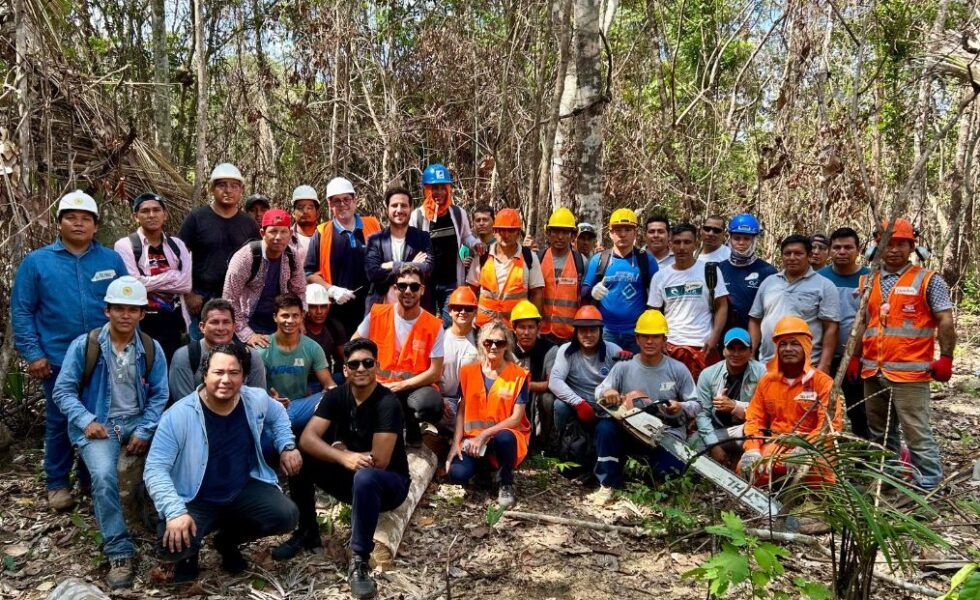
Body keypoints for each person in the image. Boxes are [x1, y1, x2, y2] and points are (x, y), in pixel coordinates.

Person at [144, 343, 301, 584]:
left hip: (241, 488)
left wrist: (287, 446)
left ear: (244, 376)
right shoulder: (178, 415)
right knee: (171, 545)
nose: (225, 379)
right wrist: (175, 511)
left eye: (234, 373)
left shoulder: (254, 399)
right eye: (218, 372)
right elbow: (155, 469)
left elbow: (278, 414)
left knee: (286, 515)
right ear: (205, 374)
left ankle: (227, 541)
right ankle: (190, 553)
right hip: (195, 496)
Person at [11, 190, 128, 511]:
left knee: (102, 417)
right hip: (58, 358)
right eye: (71, 218)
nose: (78, 224)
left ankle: (92, 480)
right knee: (60, 419)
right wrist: (33, 353)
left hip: (106, 357)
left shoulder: (111, 260)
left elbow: (127, 305)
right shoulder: (37, 262)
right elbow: (22, 311)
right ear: (59, 223)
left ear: (95, 226)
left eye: (85, 219)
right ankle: (57, 483)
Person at [51, 277, 168, 588]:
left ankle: (165, 527)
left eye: (133, 309)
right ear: (107, 311)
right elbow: (62, 391)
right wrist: (86, 419)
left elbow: (159, 395)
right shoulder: (85, 345)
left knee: (176, 454)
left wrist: (145, 429)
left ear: (142, 314)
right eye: (119, 308)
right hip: (99, 423)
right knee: (104, 475)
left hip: (137, 419)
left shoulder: (149, 347)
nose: (125, 315)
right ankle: (118, 549)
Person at [272, 339, 410, 599]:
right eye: (354, 364)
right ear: (345, 369)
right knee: (299, 456)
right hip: (351, 475)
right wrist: (341, 455)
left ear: (376, 366)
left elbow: (378, 460)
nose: (361, 368)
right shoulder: (336, 396)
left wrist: (344, 454)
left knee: (367, 475)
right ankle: (307, 531)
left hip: (388, 485)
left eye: (367, 363)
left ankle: (359, 559)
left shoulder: (387, 403)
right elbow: (308, 438)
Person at [851, 218, 955, 491]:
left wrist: (946, 357)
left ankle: (927, 487)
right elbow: (863, 321)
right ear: (878, 245)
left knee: (916, 433)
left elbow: (945, 319)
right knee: (880, 434)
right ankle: (887, 481)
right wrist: (854, 355)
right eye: (888, 243)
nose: (894, 249)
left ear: (911, 246)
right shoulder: (868, 280)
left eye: (901, 244)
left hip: (911, 372)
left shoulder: (928, 280)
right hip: (873, 370)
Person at [595, 310, 699, 501]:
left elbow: (697, 403)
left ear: (664, 339)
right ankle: (608, 484)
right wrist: (608, 393)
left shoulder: (677, 369)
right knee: (605, 428)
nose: (650, 341)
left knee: (667, 479)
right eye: (645, 336)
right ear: (637, 338)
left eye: (655, 337)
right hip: (631, 431)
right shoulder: (623, 367)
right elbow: (600, 390)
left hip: (666, 434)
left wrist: (680, 406)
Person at [738, 316, 841, 487]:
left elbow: (830, 427)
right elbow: (754, 419)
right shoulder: (767, 382)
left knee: (819, 473)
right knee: (746, 467)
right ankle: (764, 502)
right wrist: (753, 449)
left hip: (811, 449)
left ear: (806, 346)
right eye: (783, 344)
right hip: (777, 446)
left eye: (794, 343)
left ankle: (811, 505)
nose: (788, 349)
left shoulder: (822, 383)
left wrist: (805, 448)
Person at [354, 264, 444, 445]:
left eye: (414, 286)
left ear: (422, 290)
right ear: (395, 289)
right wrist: (368, 376)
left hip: (412, 388)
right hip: (378, 384)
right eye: (402, 286)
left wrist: (401, 385)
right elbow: (354, 346)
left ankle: (413, 430)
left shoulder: (434, 325)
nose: (408, 291)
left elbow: (435, 372)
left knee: (430, 404)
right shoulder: (377, 313)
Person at [448, 321, 531, 509]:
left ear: (507, 345)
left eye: (499, 343)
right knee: (456, 475)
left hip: (503, 437)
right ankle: (484, 469)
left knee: (504, 438)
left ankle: (506, 482)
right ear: (481, 344)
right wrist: (456, 443)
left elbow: (516, 418)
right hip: (473, 441)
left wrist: (484, 435)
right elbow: (462, 409)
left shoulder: (519, 375)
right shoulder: (468, 371)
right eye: (488, 342)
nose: (493, 346)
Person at [178, 163, 260, 340]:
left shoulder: (249, 224)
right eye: (222, 185)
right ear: (212, 189)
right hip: (201, 300)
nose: (228, 190)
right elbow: (179, 258)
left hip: (237, 302)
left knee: (235, 356)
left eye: (234, 186)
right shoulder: (197, 219)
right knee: (202, 353)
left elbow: (258, 265)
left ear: (241, 190)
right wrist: (189, 293)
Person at [114, 192, 192, 361]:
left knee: (173, 369)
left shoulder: (176, 245)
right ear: (136, 216)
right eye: (145, 211)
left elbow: (185, 285)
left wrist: (147, 282)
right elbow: (134, 285)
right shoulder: (125, 245)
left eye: (156, 210)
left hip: (174, 319)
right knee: (144, 369)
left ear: (165, 214)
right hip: (143, 320)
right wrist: (172, 275)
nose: (151, 215)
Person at [647, 222, 728, 382]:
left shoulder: (710, 271)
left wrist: (714, 337)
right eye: (677, 242)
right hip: (670, 347)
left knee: (705, 397)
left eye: (687, 242)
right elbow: (653, 313)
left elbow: (722, 306)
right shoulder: (661, 276)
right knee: (670, 396)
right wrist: (659, 342)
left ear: (696, 244)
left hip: (703, 346)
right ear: (670, 245)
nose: (682, 247)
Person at [749, 234, 840, 373]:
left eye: (798, 253)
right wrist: (751, 353)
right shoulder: (769, 282)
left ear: (809, 255)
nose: (792, 257)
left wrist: (824, 365)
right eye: (787, 253)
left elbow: (831, 328)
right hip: (767, 366)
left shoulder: (824, 286)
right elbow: (755, 320)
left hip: (807, 367)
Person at [305, 177, 381, 341]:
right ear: (330, 204)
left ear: (354, 200)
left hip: (372, 307)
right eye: (336, 201)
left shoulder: (373, 225)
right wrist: (331, 289)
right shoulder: (322, 232)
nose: (342, 205)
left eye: (346, 199)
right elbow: (309, 273)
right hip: (337, 311)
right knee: (344, 357)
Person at [548, 306, 623, 464]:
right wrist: (578, 403)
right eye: (583, 331)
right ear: (576, 332)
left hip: (604, 406)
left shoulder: (613, 351)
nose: (588, 335)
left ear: (601, 331)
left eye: (593, 330)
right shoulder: (566, 351)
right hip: (578, 405)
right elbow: (555, 381)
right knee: (559, 405)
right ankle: (559, 445)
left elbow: (624, 381)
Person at [409, 164, 483, 321]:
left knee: (450, 323)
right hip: (425, 282)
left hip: (451, 280)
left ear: (448, 189)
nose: (439, 193)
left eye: (443, 188)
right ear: (427, 190)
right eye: (434, 188)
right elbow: (410, 246)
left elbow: (466, 236)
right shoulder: (417, 216)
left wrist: (475, 243)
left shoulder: (457, 213)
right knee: (425, 322)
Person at [223, 209, 307, 347]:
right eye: (273, 231)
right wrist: (247, 334)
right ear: (262, 233)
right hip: (247, 322)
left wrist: (299, 320)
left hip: (280, 322)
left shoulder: (292, 256)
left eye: (284, 231)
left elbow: (299, 291)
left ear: (290, 233)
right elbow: (229, 298)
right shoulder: (245, 257)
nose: (278, 237)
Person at [258, 294, 338, 440]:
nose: (290, 321)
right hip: (272, 409)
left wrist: (337, 398)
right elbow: (251, 390)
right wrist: (269, 400)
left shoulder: (312, 347)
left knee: (334, 397)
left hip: (302, 407)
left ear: (302, 316)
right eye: (285, 316)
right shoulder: (262, 348)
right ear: (275, 317)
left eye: (295, 316)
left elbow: (329, 384)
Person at [581, 208, 659, 353]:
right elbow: (583, 290)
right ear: (610, 233)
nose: (622, 234)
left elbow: (658, 297)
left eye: (627, 229)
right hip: (606, 331)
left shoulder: (646, 260)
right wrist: (592, 291)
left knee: (635, 374)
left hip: (637, 332)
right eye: (617, 230)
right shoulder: (599, 260)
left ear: (635, 233)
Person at [818, 227, 870, 439]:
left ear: (858, 250)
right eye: (837, 247)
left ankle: (863, 462)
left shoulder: (869, 277)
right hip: (822, 356)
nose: (842, 252)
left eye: (848, 247)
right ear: (830, 250)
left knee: (860, 412)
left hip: (858, 359)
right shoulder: (819, 278)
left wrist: (857, 355)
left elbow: (872, 318)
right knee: (818, 408)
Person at [168, 298, 267, 401]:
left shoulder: (250, 356)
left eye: (226, 322)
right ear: (202, 327)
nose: (220, 328)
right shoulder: (185, 356)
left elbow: (258, 401)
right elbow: (183, 405)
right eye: (214, 322)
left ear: (234, 327)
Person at [694, 328, 766, 469]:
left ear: (751, 351)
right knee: (693, 442)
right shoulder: (708, 375)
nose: (736, 353)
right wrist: (714, 446)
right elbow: (702, 415)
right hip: (719, 432)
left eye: (742, 349)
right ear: (723, 351)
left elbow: (765, 412)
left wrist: (735, 406)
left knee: (764, 440)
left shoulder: (762, 373)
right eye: (731, 348)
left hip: (750, 430)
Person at [467, 208, 545, 327]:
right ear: (494, 231)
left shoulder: (529, 257)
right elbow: (471, 289)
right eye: (501, 230)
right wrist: (470, 319)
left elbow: (537, 294)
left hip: (515, 328)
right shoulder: (483, 256)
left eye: (511, 230)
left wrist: (533, 324)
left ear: (518, 233)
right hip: (484, 328)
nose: (506, 235)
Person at [366, 187, 433, 307]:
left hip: (417, 308)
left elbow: (427, 268)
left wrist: (392, 265)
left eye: (403, 205)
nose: (399, 210)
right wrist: (409, 265)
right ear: (386, 209)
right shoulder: (375, 240)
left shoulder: (422, 237)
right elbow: (373, 274)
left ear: (411, 208)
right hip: (383, 307)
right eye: (394, 205)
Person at [510, 301, 558, 449]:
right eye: (522, 327)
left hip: (537, 397)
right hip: (510, 395)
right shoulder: (505, 348)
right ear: (514, 328)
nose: (526, 332)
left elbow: (552, 384)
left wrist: (524, 386)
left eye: (531, 327)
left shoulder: (550, 349)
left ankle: (545, 440)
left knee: (548, 399)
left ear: (538, 328)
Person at [718, 213, 777, 331]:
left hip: (755, 337)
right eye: (737, 238)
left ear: (754, 239)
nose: (741, 243)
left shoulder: (768, 271)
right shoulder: (719, 269)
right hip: (724, 338)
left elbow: (773, 310)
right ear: (729, 238)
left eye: (746, 238)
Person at [538, 208, 587, 344]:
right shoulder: (538, 259)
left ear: (572, 235)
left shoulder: (581, 261)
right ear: (548, 233)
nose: (560, 237)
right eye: (556, 231)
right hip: (542, 333)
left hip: (570, 335)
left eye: (565, 232)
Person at [439, 287, 480, 432]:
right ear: (449, 311)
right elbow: (429, 374)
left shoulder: (483, 340)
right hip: (443, 400)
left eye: (468, 308)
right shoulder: (439, 338)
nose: (462, 312)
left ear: (475, 312)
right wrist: (439, 401)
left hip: (471, 402)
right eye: (457, 308)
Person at [303, 283, 345, 380]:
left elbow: (346, 358)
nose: (319, 312)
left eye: (323, 306)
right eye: (313, 307)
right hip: (303, 381)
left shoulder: (333, 327)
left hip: (328, 378)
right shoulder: (298, 328)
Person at [290, 185, 320, 256]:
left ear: (317, 213)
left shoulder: (326, 237)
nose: (305, 211)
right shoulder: (285, 238)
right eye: (300, 208)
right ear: (293, 213)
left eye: (309, 208)